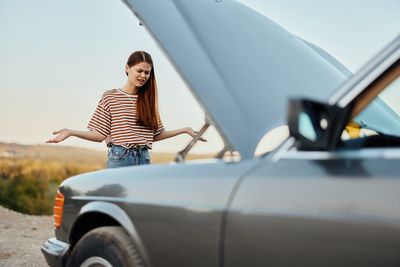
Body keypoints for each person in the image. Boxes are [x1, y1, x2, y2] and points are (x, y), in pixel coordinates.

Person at [46, 51, 205, 168]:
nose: (143, 76)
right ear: (127, 68)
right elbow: (100, 134)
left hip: (144, 157)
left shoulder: (148, 100)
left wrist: (184, 130)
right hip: (120, 157)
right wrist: (71, 132)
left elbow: (154, 135)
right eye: (139, 71)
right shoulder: (110, 97)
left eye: (147, 72)